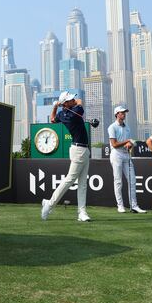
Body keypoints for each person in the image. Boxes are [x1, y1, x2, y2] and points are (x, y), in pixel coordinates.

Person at [40, 91, 92, 222]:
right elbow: (80, 102)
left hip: (83, 149)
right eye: (70, 100)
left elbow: (52, 120)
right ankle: (50, 204)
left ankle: (82, 212)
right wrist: (66, 104)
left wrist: (55, 107)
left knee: (82, 183)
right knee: (70, 179)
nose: (74, 100)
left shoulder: (63, 114)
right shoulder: (74, 112)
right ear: (66, 104)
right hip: (79, 150)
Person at [107, 106, 147, 214]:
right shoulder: (112, 127)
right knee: (118, 181)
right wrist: (127, 141)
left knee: (132, 180)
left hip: (126, 154)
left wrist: (129, 144)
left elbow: (127, 143)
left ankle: (134, 206)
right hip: (116, 155)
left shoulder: (127, 127)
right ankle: (120, 205)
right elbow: (114, 144)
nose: (124, 114)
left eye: (124, 112)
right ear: (117, 114)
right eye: (122, 112)